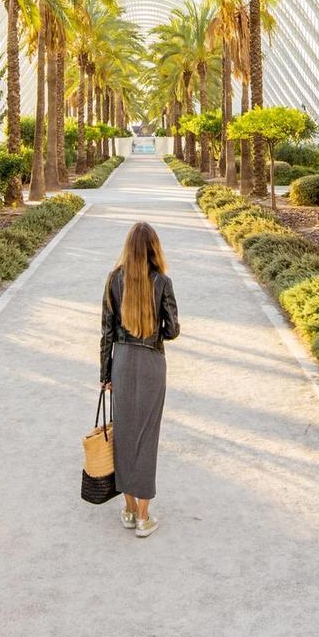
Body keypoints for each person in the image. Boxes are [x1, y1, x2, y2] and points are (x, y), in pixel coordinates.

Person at [100, 222, 180, 538]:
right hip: (151, 363)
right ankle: (145, 518)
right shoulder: (163, 281)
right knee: (146, 438)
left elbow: (106, 332)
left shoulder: (113, 280)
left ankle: (130, 510)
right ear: (153, 248)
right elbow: (172, 330)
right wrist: (154, 331)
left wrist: (105, 375)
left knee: (123, 435)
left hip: (121, 361)